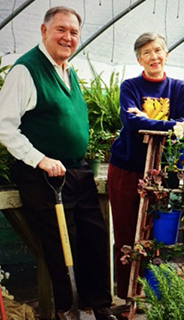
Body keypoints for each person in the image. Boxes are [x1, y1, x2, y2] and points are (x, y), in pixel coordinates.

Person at [0, 6, 117, 320]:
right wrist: (40, 159)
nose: (68, 37)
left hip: (75, 169)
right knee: (63, 244)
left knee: (94, 235)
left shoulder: (68, 70)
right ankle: (68, 309)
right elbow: (4, 125)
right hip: (42, 173)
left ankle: (100, 306)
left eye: (74, 32)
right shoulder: (26, 70)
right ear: (43, 31)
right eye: (61, 30)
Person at [107, 32, 184, 303]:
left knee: (157, 233)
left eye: (158, 50)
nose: (154, 56)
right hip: (126, 169)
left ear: (167, 54)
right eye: (147, 52)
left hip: (162, 174)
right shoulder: (130, 87)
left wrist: (147, 120)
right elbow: (131, 123)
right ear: (139, 58)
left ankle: (154, 290)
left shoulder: (179, 88)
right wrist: (173, 125)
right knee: (126, 234)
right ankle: (129, 294)